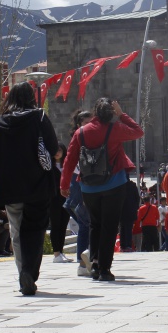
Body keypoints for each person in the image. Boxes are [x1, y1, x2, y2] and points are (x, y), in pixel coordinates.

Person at [0, 82, 59, 295]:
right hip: (36, 185)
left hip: (9, 188)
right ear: (31, 98)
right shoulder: (38, 117)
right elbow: (53, 148)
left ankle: (22, 275)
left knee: (16, 232)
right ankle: (29, 272)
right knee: (35, 231)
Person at [61, 97, 142, 282]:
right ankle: (105, 268)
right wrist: (122, 115)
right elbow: (138, 132)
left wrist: (64, 184)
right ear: (111, 113)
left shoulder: (81, 132)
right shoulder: (116, 128)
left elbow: (69, 160)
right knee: (110, 226)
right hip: (114, 185)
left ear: (95, 112)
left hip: (89, 188)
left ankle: (95, 263)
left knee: (95, 225)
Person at [63, 109, 93, 275]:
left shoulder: (86, 136)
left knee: (86, 224)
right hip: (79, 185)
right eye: (87, 122)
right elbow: (72, 163)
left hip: (82, 184)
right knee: (85, 224)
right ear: (79, 124)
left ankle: (85, 260)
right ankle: (83, 263)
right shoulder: (79, 137)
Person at [48, 145, 73, 263]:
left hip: (66, 199)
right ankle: (56, 253)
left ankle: (61, 252)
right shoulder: (49, 167)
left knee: (63, 225)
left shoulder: (67, 166)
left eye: (60, 150)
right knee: (55, 225)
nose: (57, 153)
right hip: (54, 199)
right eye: (55, 150)